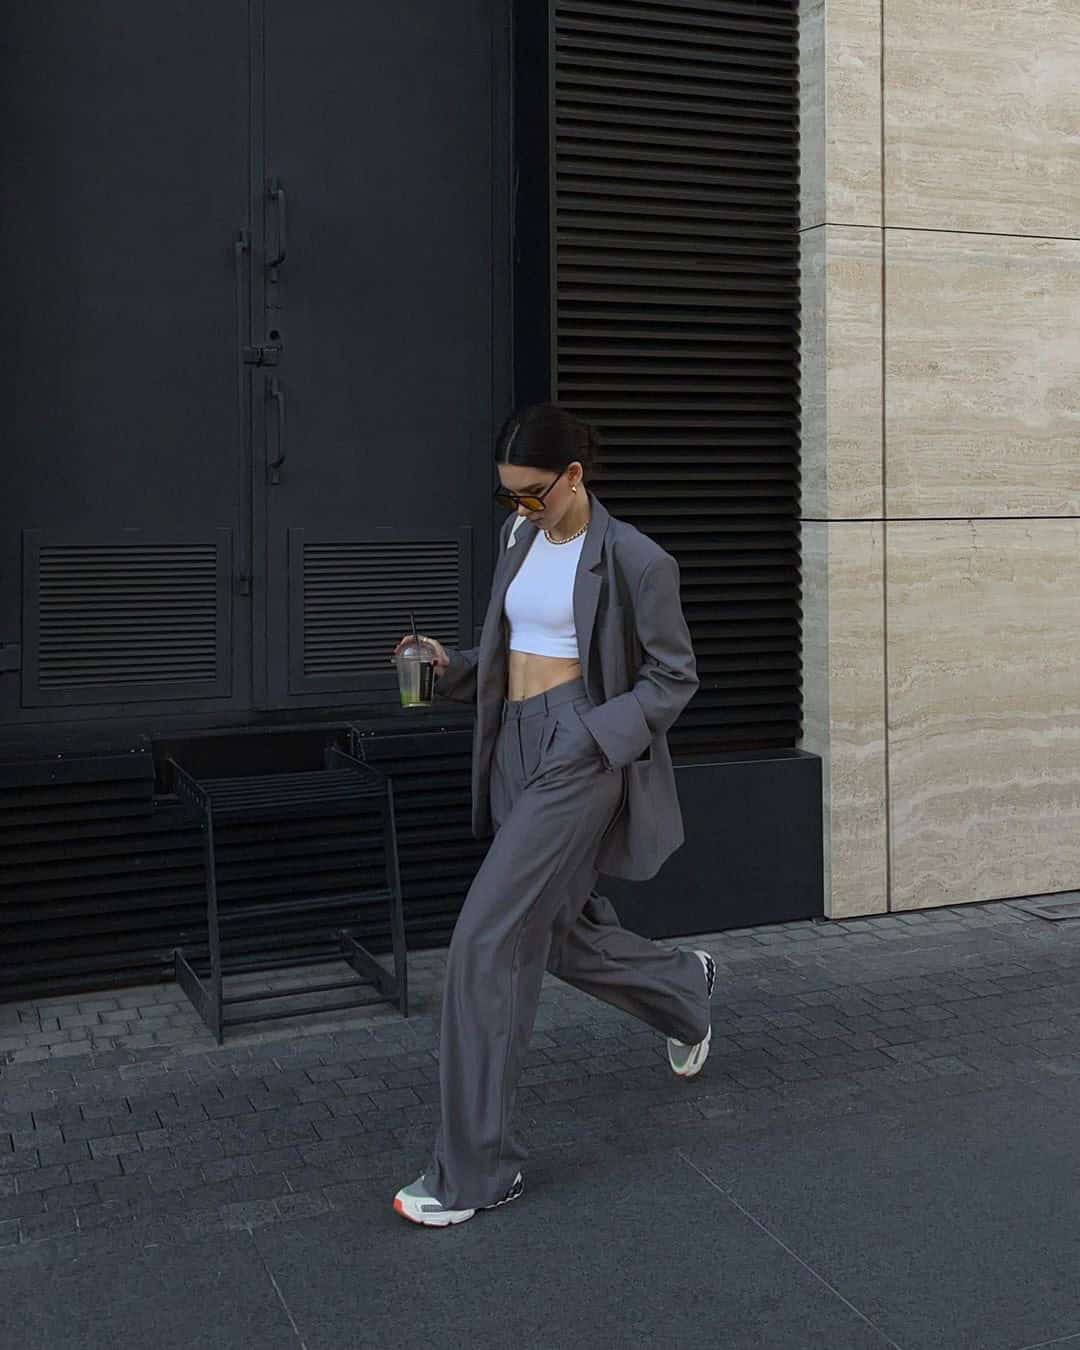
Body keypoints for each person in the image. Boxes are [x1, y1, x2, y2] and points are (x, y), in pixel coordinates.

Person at [390, 402, 716, 1228]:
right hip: (513, 749)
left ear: (575, 475)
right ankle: (684, 989)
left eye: (533, 494)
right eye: (509, 498)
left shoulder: (638, 560)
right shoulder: (518, 542)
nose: (521, 511)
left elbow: (673, 680)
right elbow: (505, 652)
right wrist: (448, 668)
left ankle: (477, 1171)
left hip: (580, 753)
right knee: (556, 931)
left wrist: (594, 738)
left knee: (487, 940)